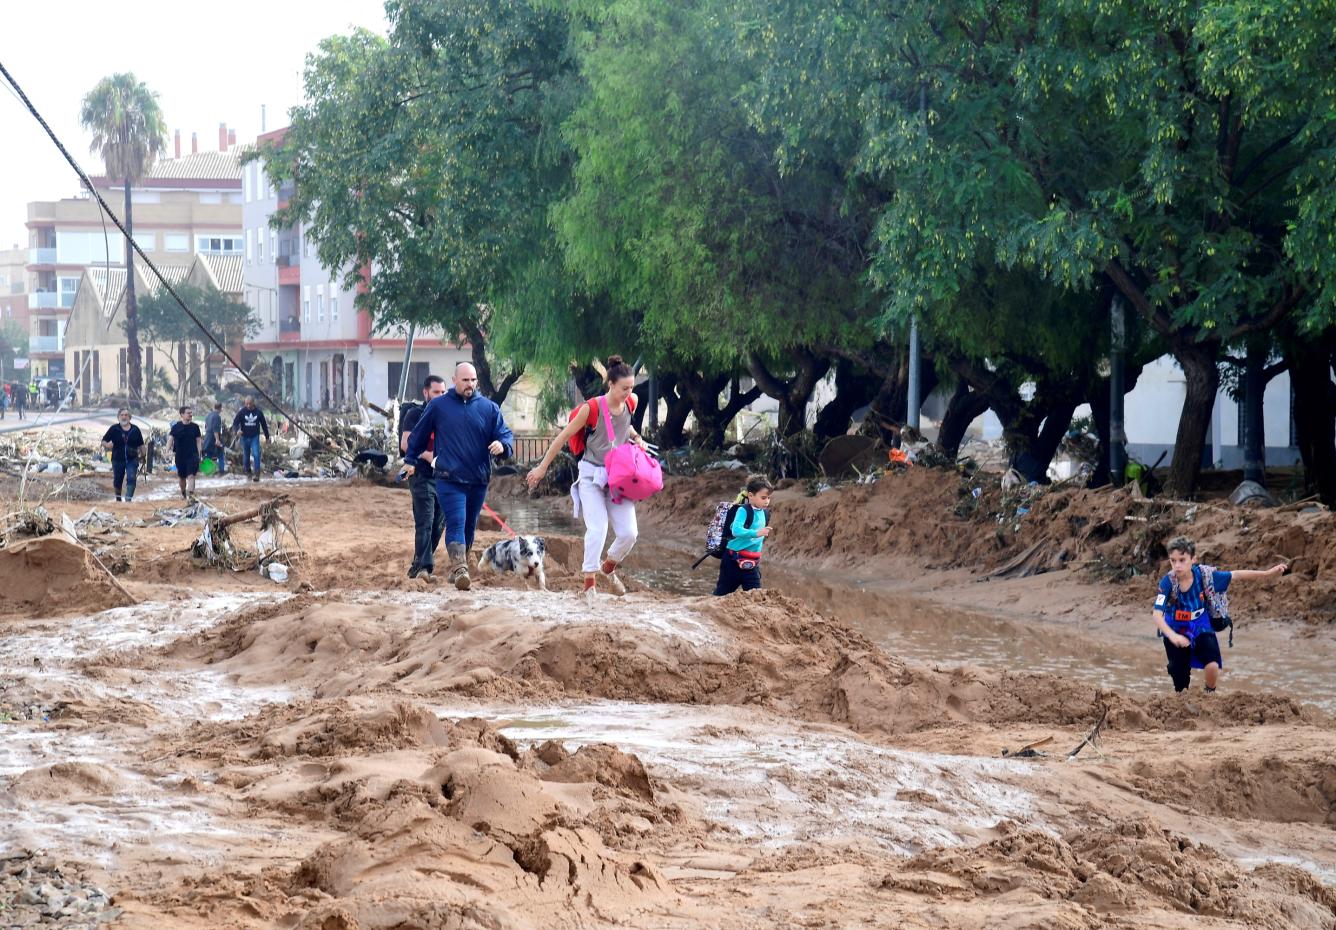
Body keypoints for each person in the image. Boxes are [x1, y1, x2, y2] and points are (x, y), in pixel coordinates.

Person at [526, 356, 653, 604]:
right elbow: (562, 438)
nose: (629, 393)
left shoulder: (632, 403)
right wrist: (541, 468)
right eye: (624, 388)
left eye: (632, 388)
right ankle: (589, 585)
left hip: (619, 478)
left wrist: (637, 438)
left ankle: (608, 567)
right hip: (591, 476)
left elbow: (623, 428)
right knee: (598, 529)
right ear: (611, 385)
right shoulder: (591, 409)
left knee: (630, 533)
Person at [403, 362, 514, 590]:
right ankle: (460, 569)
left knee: (469, 525)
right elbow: (419, 435)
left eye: (473, 380)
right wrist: (410, 461)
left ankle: (459, 564)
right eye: (465, 380)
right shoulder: (439, 406)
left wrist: (502, 446)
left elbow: (505, 434)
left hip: (478, 478)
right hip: (448, 477)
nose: (470, 384)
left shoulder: (489, 408)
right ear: (454, 380)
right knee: (456, 520)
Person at [1153, 536, 1287, 693]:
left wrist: (1266, 574)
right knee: (1179, 677)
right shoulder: (1167, 582)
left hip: (1200, 624)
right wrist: (1172, 636)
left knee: (1213, 665)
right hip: (1175, 626)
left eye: (1182, 560)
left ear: (1193, 559)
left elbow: (1235, 575)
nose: (1177, 565)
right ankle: (1181, 699)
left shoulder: (1206, 576)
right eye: (1173, 561)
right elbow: (1157, 614)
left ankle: (1209, 695)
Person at [400, 374, 447, 582]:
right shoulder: (414, 414)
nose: (440, 396)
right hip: (420, 474)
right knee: (425, 521)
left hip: (443, 477)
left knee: (438, 524)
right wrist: (427, 456)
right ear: (425, 392)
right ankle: (425, 569)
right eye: (436, 392)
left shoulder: (447, 415)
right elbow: (406, 444)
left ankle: (418, 566)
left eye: (443, 392)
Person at [713, 475, 775, 596]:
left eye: (768, 498)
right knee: (722, 594)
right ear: (750, 495)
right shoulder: (743, 510)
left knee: (756, 596)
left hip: (752, 563)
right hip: (733, 561)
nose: (767, 501)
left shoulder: (765, 513)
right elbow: (736, 530)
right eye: (763, 497)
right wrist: (756, 533)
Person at [101, 408, 145, 502]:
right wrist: (107, 445)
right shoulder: (114, 429)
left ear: (130, 417)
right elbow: (103, 441)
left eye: (126, 415)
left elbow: (141, 444)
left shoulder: (135, 430)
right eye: (122, 415)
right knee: (118, 480)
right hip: (117, 459)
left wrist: (143, 455)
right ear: (118, 417)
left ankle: (128, 500)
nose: (124, 417)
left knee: (131, 478)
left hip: (132, 459)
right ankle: (118, 498)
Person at [166, 405, 204, 500]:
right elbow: (170, 440)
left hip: (192, 455)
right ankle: (183, 493)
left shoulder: (195, 427)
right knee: (182, 477)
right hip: (180, 456)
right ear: (182, 414)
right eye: (188, 413)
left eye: (191, 413)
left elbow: (198, 441)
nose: (190, 415)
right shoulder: (176, 427)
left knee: (191, 475)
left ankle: (191, 496)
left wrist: (200, 453)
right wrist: (167, 451)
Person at [232, 397, 270, 482]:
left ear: (253, 403)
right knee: (246, 456)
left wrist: (267, 437)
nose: (248, 406)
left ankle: (257, 473)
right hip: (244, 437)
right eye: (246, 404)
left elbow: (264, 425)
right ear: (245, 403)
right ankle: (248, 472)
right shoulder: (242, 412)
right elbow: (235, 423)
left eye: (250, 403)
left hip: (254, 437)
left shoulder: (258, 413)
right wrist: (237, 430)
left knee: (256, 454)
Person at [202, 402, 225, 475]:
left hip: (207, 437)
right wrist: (217, 440)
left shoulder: (208, 415)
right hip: (213, 438)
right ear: (221, 408)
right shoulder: (217, 416)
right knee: (221, 454)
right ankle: (221, 472)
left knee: (208, 454)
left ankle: (207, 472)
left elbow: (206, 427)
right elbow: (215, 429)